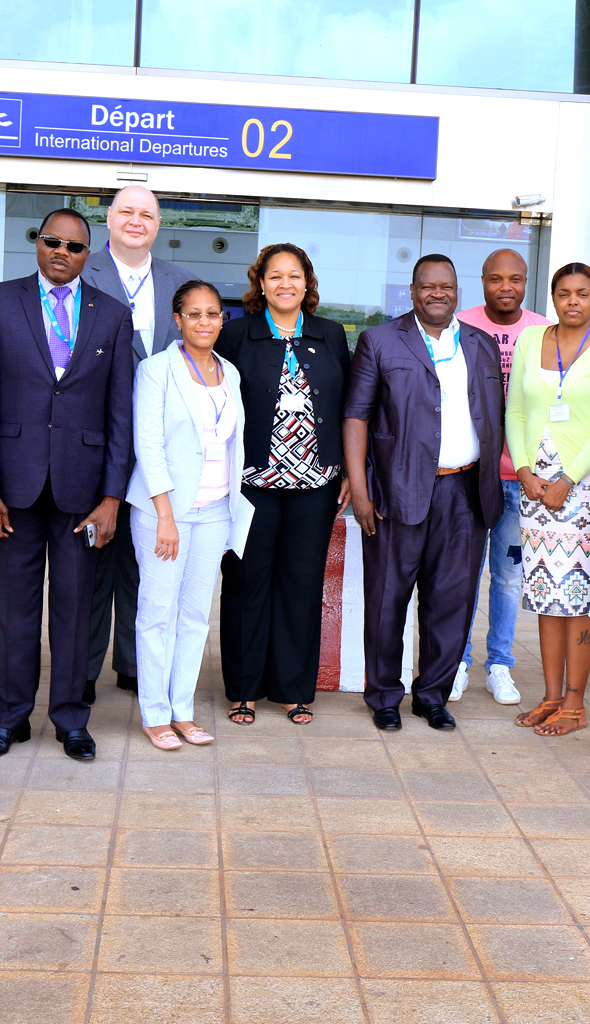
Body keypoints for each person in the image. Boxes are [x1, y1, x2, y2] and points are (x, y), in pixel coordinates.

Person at [0, 208, 134, 761]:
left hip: (82, 494)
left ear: (90, 254)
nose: (62, 252)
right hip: (12, 490)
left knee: (74, 609)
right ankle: (8, 720)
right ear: (37, 243)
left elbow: (119, 414)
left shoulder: (112, 314)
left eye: (75, 246)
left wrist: (112, 497)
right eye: (52, 241)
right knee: (14, 612)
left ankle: (70, 719)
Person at [343, 254, 504, 732]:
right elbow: (356, 416)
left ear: (458, 291)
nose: (438, 293)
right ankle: (384, 696)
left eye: (447, 286)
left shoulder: (480, 344)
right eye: (428, 286)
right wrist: (359, 488)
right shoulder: (379, 340)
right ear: (413, 291)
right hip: (396, 491)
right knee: (388, 598)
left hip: (466, 491)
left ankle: (432, 695)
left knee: (451, 600)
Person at [216, 243, 351, 727]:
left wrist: (352, 471)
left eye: (295, 276)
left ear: (308, 283)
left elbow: (348, 409)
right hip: (252, 484)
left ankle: (294, 689)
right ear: (261, 283)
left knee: (300, 585)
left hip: (315, 486)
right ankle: (244, 690)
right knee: (246, 584)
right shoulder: (236, 335)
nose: (285, 284)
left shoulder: (331, 335)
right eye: (275, 276)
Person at [506, 263, 590, 736]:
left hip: (586, 488)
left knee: (576, 595)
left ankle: (575, 705)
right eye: (563, 293)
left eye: (582, 293)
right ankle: (551, 696)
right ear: (553, 297)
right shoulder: (528, 340)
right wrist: (523, 469)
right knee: (544, 590)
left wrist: (568, 478)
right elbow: (515, 408)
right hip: (534, 484)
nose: (572, 301)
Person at [81, 186, 196, 699]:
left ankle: (133, 664)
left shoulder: (179, 283)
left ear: (158, 224)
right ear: (108, 219)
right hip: (91, 443)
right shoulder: (79, 272)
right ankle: (81, 671)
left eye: (146, 214)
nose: (135, 220)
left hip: (157, 448)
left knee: (144, 560)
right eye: (126, 211)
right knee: (89, 563)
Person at [129, 280, 248, 748]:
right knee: (157, 614)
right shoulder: (156, 370)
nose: (204, 322)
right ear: (177, 320)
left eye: (213, 314)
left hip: (217, 510)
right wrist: (164, 515)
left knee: (196, 615)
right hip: (166, 512)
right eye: (194, 314)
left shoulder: (231, 373)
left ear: (223, 319)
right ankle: (154, 713)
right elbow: (149, 443)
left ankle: (182, 709)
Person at [452, 249, 550, 705]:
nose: (505, 287)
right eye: (496, 279)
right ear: (483, 281)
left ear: (526, 281)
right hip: (470, 475)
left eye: (515, 279)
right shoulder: (460, 324)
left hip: (522, 475)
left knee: (509, 577)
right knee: (463, 574)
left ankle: (499, 665)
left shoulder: (542, 330)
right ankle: (457, 662)